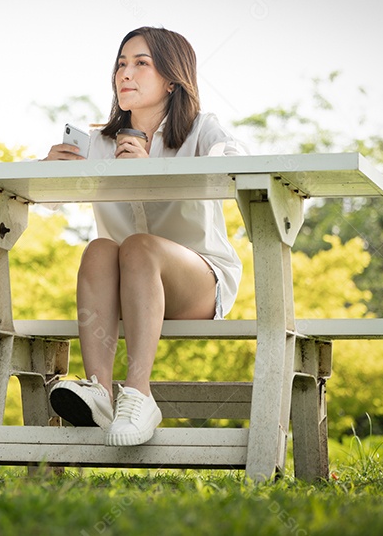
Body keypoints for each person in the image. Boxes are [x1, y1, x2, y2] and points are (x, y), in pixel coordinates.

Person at [41, 26, 245, 446]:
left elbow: (239, 167)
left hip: (197, 285)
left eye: (140, 64)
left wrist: (154, 165)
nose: (125, 74)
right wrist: (46, 167)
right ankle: (99, 392)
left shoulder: (200, 129)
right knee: (99, 248)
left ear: (172, 79)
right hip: (127, 294)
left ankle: (138, 393)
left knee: (138, 246)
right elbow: (44, 202)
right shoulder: (97, 142)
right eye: (120, 64)